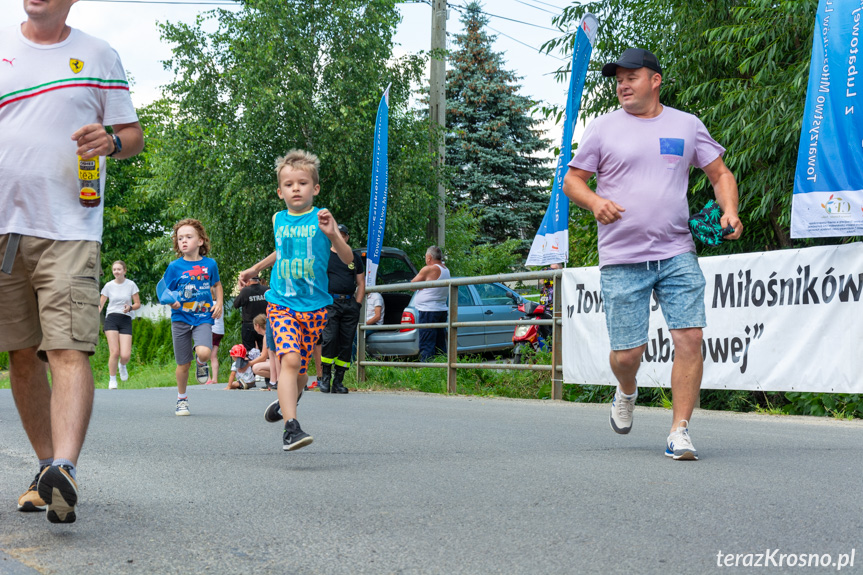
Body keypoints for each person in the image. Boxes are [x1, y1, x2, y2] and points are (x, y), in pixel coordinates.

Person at [1, 0, 144, 524]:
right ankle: (47, 473)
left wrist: (109, 140)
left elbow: (132, 137)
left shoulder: (99, 55)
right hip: (3, 229)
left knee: (66, 347)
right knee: (21, 353)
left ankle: (67, 466)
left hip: (69, 228)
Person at [562, 48, 742, 461]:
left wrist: (729, 210)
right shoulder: (603, 128)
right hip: (622, 258)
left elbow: (720, 174)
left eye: (632, 77)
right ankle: (627, 390)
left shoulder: (686, 125)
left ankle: (680, 430)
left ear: (655, 80)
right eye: (619, 80)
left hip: (677, 250)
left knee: (690, 337)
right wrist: (594, 203)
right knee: (628, 355)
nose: (623, 85)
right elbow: (573, 181)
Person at [239, 149, 353, 451]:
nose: (296, 189)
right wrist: (256, 268)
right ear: (280, 191)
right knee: (289, 361)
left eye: (302, 183)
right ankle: (292, 427)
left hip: (315, 307)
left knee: (300, 373)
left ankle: (287, 401)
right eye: (289, 184)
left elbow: (347, 258)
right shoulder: (278, 219)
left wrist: (334, 236)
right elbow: (282, 251)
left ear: (314, 188)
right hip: (281, 303)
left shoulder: (322, 218)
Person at [159, 219, 224, 416]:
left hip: (203, 316)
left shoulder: (210, 264)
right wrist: (172, 301)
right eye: (180, 238)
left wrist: (219, 302)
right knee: (183, 364)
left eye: (189, 237)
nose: (184, 241)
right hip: (180, 318)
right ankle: (182, 399)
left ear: (201, 241)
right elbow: (163, 291)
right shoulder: (174, 267)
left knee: (204, 353)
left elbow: (217, 285)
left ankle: (202, 364)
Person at [319, 224, 364, 394]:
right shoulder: (325, 256)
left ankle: (338, 381)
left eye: (344, 235)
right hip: (330, 303)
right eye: (338, 234)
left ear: (347, 237)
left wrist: (357, 304)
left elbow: (361, 283)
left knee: (346, 344)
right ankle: (325, 379)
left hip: (349, 305)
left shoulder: (354, 258)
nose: (341, 237)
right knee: (329, 340)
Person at [98, 260, 141, 389]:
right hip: (111, 318)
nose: (116, 271)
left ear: (124, 271)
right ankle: (112, 380)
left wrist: (130, 308)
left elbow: (138, 304)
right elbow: (101, 305)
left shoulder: (131, 285)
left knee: (125, 355)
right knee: (115, 352)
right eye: (114, 269)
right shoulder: (108, 286)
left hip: (126, 319)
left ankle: (122, 365)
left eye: (119, 269)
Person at [411, 246, 450, 362]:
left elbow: (412, 286)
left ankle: (426, 368)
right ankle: (442, 368)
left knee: (427, 343)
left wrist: (421, 286)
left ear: (429, 258)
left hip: (428, 311)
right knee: (440, 343)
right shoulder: (445, 269)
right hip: (441, 309)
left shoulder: (429, 269)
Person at [233, 275, 268, 352]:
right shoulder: (266, 290)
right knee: (266, 350)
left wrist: (241, 290)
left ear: (248, 281)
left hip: (249, 325)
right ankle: (266, 363)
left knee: (249, 351)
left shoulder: (245, 291)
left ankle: (252, 363)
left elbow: (236, 304)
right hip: (264, 324)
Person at [208, 300, 225, 384]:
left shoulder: (210, 304)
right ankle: (215, 379)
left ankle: (207, 379)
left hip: (212, 330)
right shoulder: (220, 304)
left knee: (203, 356)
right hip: (220, 331)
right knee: (213, 356)